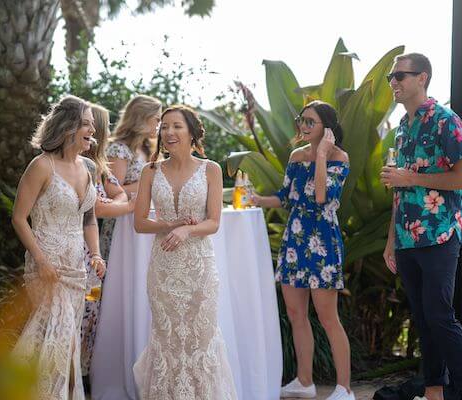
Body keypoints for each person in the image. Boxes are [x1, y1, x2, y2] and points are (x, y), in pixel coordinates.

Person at [380, 53, 462, 400]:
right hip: (406, 237)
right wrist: (391, 240)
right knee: (423, 319)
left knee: (440, 315)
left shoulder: (446, 120)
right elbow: (399, 191)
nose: (394, 82)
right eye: (391, 76)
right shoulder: (402, 128)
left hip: (440, 232)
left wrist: (410, 177)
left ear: (423, 77)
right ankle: (432, 392)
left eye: (400, 75)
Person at [132, 105, 237, 399]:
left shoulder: (211, 169)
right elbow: (140, 223)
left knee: (201, 341)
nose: (168, 132)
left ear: (191, 131)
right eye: (164, 127)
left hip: (199, 269)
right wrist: (170, 224)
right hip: (163, 270)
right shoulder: (150, 171)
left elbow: (213, 222)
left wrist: (186, 230)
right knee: (166, 341)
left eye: (176, 126)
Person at [253, 101, 353, 400]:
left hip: (323, 243)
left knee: (327, 318)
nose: (304, 127)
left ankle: (345, 388)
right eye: (302, 120)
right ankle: (304, 381)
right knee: (296, 313)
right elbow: (286, 196)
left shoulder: (339, 158)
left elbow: (322, 197)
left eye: (311, 122)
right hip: (295, 242)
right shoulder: (296, 156)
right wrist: (257, 199)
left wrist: (321, 154)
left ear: (327, 127)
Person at [11, 95, 106, 400]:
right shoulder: (42, 166)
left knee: (66, 343)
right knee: (52, 336)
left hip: (76, 268)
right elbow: (19, 217)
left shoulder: (89, 167)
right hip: (47, 265)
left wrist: (96, 254)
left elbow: (88, 219)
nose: (93, 129)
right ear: (69, 127)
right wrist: (40, 260)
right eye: (87, 123)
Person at [80, 103, 134, 380]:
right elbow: (99, 208)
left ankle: (84, 374)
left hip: (94, 248)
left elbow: (119, 193)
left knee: (93, 308)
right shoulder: (83, 166)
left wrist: (119, 202)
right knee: (82, 310)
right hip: (78, 244)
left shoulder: (99, 165)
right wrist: (124, 206)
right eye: (106, 126)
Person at [99, 95, 162, 259]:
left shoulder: (148, 149)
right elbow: (112, 192)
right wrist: (147, 184)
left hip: (145, 219)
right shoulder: (119, 149)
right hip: (123, 222)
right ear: (142, 118)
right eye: (157, 119)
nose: (159, 125)